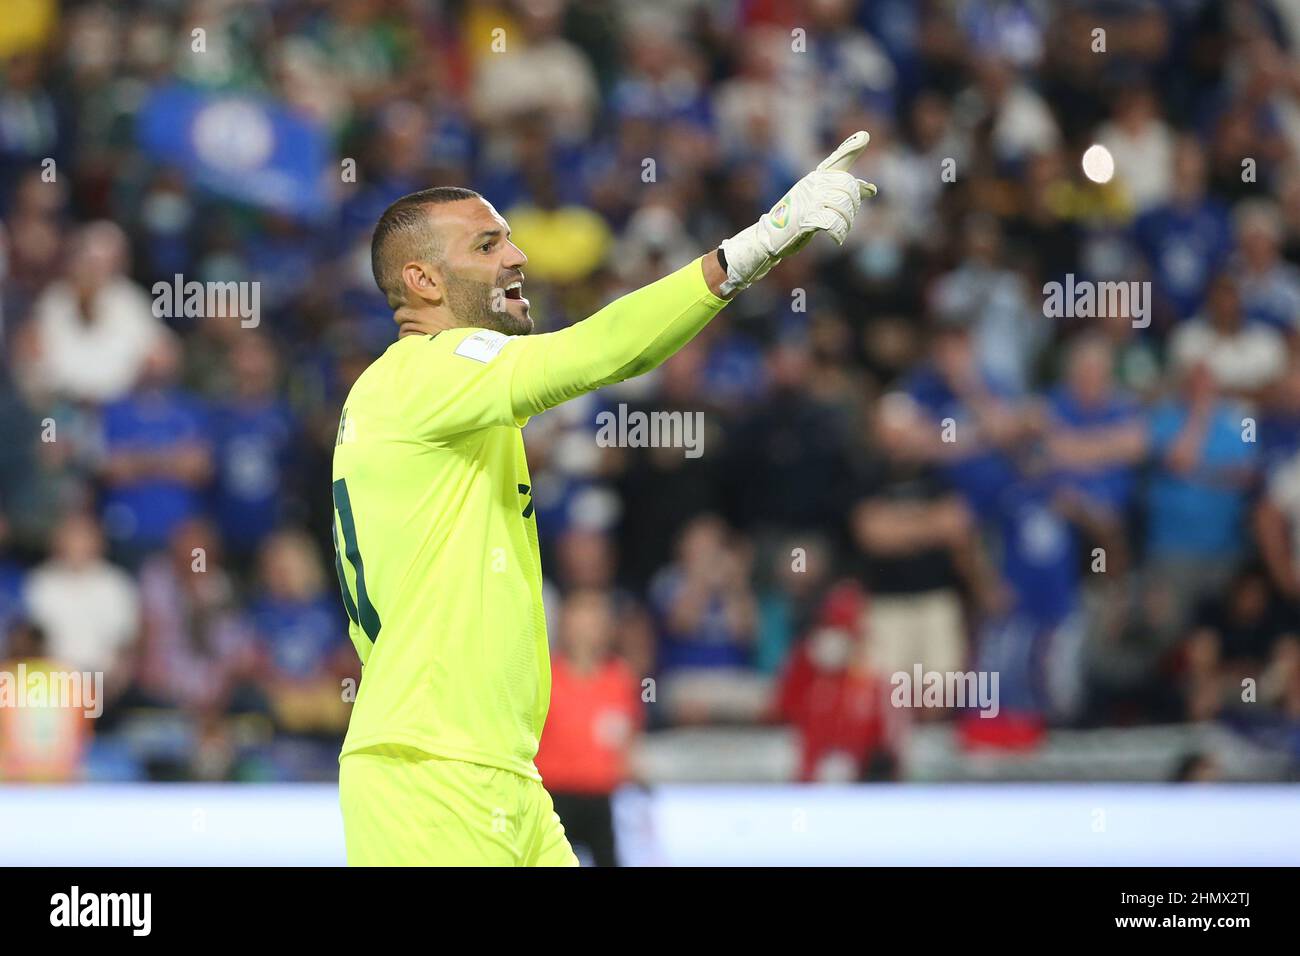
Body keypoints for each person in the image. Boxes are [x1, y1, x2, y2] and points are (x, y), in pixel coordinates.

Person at [334, 134, 878, 865]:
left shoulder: (437, 398)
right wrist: (753, 249)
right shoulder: (428, 372)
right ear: (423, 281)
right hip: (433, 775)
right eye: (488, 244)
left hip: (495, 774)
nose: (518, 257)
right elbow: (600, 350)